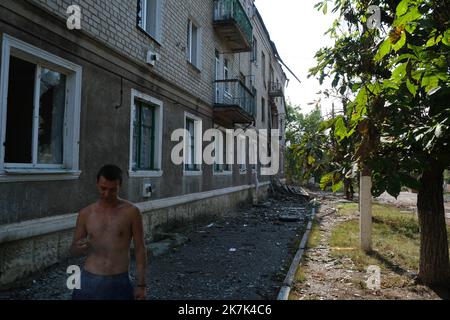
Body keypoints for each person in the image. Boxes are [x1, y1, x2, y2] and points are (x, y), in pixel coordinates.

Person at [70, 165, 147, 300]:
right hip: (88, 279)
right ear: (97, 184)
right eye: (103, 188)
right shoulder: (85, 213)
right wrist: (79, 247)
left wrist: (141, 285)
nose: (106, 194)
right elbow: (73, 251)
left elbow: (140, 248)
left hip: (119, 280)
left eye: (112, 190)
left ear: (120, 186)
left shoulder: (131, 212)